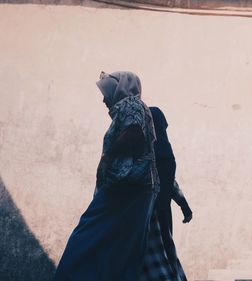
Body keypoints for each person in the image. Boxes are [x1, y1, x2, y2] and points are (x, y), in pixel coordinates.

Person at [54, 71, 186, 281]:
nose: (104, 98)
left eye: (107, 93)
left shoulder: (131, 105)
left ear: (121, 89)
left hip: (124, 189)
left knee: (88, 236)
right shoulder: (134, 109)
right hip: (133, 190)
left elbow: (134, 134)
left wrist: (109, 155)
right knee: (124, 248)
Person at [149, 106, 193, 236]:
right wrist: (184, 206)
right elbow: (170, 181)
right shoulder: (166, 149)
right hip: (163, 213)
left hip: (148, 214)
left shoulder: (147, 150)